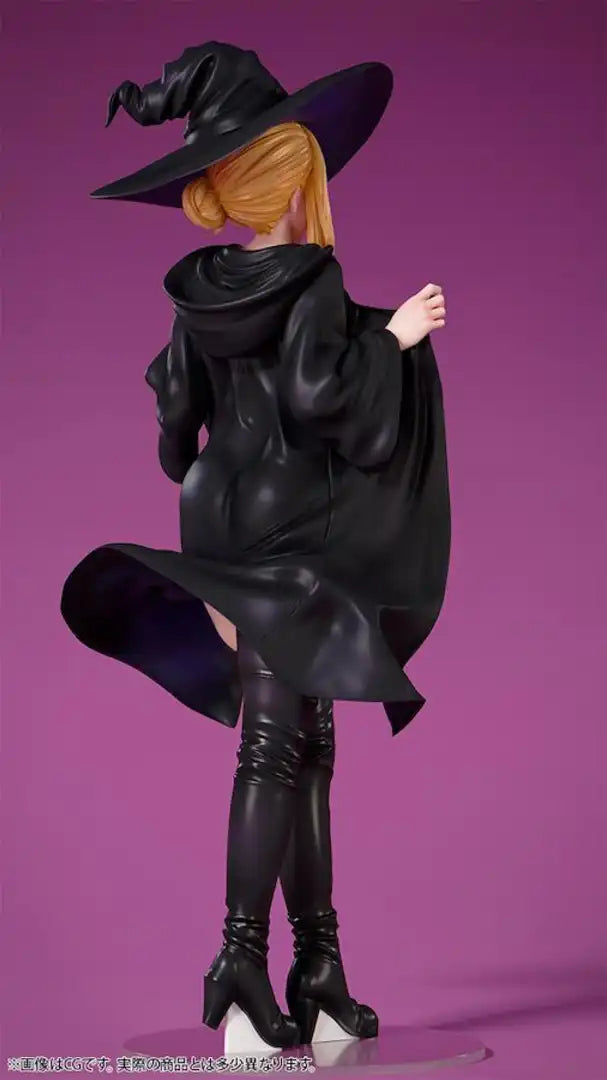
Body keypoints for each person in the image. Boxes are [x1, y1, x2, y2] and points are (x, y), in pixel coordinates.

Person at [60, 43, 451, 1048]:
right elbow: (327, 399)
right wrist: (395, 339)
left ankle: (318, 962)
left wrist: (186, 417)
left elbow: (176, 430)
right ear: (294, 180)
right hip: (291, 536)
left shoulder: (198, 290)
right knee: (279, 745)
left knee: (305, 742)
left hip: (219, 521)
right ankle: (239, 959)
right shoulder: (313, 276)